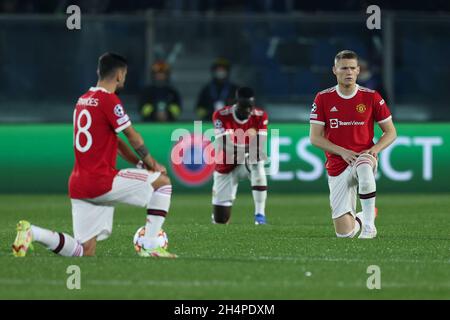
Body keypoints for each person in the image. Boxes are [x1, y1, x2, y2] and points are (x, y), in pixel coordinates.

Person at [12, 53, 177, 258]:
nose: (124, 78)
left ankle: (33, 232)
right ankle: (150, 246)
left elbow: (115, 143)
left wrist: (140, 163)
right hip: (102, 181)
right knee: (162, 183)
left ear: (99, 71)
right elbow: (133, 137)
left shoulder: (82, 100)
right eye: (124, 74)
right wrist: (152, 163)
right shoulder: (109, 100)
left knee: (84, 251)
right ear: (119, 75)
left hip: (79, 184)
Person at [309, 50, 397, 239]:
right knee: (345, 234)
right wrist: (342, 152)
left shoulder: (371, 97)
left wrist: (374, 150)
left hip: (362, 156)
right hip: (337, 164)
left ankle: (368, 227)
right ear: (335, 70)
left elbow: (391, 132)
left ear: (358, 70)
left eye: (352, 68)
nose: (348, 72)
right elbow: (315, 138)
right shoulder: (323, 98)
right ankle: (365, 215)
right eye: (343, 68)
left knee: (365, 171)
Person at [211, 87, 269, 225]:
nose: (248, 111)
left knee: (257, 161)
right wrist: (251, 148)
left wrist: (253, 150)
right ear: (236, 103)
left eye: (250, 106)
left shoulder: (260, 115)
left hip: (245, 164)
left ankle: (260, 215)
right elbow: (225, 146)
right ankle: (219, 212)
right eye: (244, 107)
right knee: (221, 220)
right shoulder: (221, 115)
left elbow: (260, 146)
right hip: (225, 167)